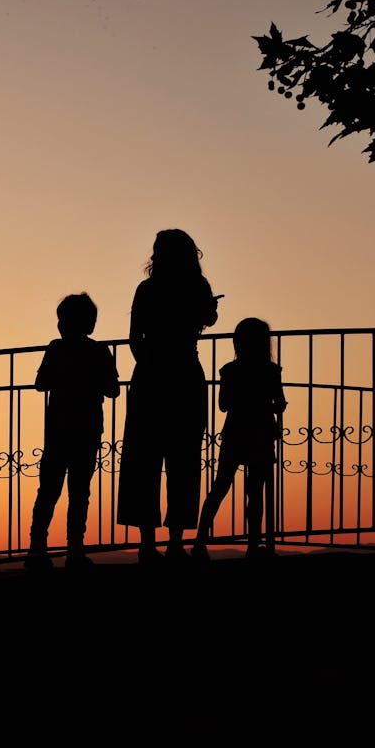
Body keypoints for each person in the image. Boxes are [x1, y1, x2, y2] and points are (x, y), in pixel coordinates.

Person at [117, 228, 221, 566]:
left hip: (150, 376)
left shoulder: (146, 289)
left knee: (143, 461)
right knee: (184, 463)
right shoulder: (198, 287)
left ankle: (147, 544)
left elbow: (134, 338)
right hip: (187, 376)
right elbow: (208, 319)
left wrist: (148, 363)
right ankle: (176, 541)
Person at [24, 292, 120, 571]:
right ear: (90, 324)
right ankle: (75, 550)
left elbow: (40, 383)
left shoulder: (56, 348)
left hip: (58, 431)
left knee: (49, 491)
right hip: (87, 430)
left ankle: (36, 550)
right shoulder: (99, 351)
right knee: (80, 493)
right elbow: (112, 390)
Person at [191, 317, 287, 562]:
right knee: (255, 492)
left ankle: (200, 542)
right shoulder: (271, 371)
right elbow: (280, 404)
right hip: (262, 432)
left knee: (220, 487)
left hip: (236, 431)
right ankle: (254, 546)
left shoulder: (230, 371)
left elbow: (223, 405)